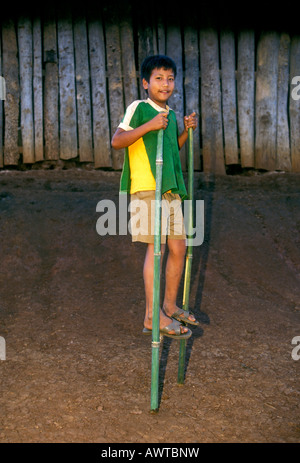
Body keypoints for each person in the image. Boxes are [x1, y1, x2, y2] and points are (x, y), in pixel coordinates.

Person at [111, 55, 199, 339]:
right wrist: (149, 125)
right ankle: (151, 315)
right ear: (146, 83)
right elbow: (117, 141)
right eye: (159, 78)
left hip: (170, 189)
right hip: (148, 187)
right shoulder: (139, 108)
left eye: (170, 78)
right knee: (157, 248)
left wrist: (184, 130)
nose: (166, 84)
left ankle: (169, 305)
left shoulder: (171, 115)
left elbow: (173, 149)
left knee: (179, 248)